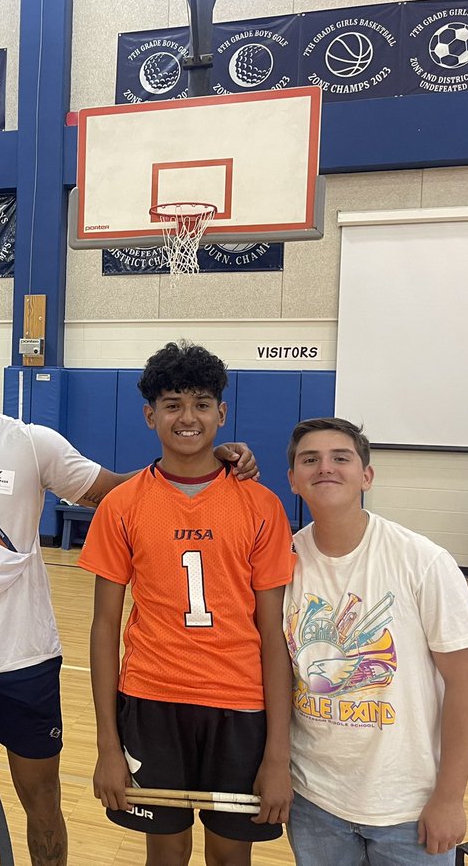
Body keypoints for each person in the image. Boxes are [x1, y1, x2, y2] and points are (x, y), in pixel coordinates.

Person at [0, 310, 257, 866]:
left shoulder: (32, 442)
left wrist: (209, 462)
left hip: (28, 656)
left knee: (41, 796)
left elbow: (119, 494)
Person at [80, 341, 295, 866]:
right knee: (167, 854)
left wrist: (278, 754)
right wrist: (108, 746)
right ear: (151, 415)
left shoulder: (262, 505)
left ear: (221, 414)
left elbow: (275, 635)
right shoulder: (122, 506)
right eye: (172, 404)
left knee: (229, 857)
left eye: (201, 403)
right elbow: (104, 627)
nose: (187, 417)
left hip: (240, 706)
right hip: (152, 700)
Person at [283, 418, 468, 865]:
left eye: (341, 458)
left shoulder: (424, 561)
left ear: (366, 476)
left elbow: (465, 684)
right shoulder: (284, 562)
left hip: (407, 808)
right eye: (309, 460)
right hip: (314, 800)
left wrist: (450, 797)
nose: (325, 468)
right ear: (293, 480)